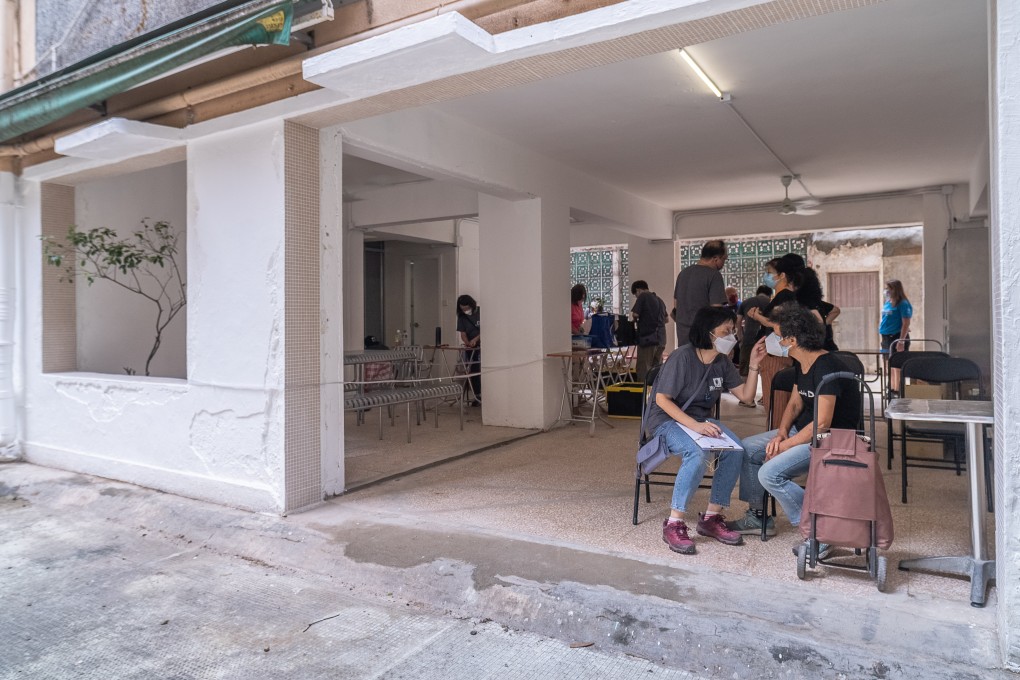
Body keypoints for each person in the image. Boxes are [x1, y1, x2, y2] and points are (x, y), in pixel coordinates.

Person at [726, 304, 862, 551]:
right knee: (748, 448)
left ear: (792, 340)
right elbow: (796, 401)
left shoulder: (827, 366)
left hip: (830, 440)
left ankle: (818, 533)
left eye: (777, 336)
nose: (773, 341)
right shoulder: (802, 362)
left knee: (770, 474)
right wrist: (780, 432)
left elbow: (822, 422)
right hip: (803, 433)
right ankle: (758, 515)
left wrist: (785, 445)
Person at [645, 306, 767, 555]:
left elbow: (745, 396)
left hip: (700, 420)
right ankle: (674, 523)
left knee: (736, 450)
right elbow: (662, 400)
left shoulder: (722, 362)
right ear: (708, 332)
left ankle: (711, 518)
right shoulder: (682, 357)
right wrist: (696, 427)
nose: (732, 336)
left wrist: (753, 365)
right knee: (697, 453)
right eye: (726, 331)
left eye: (733, 331)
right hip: (667, 420)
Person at [745, 253, 803, 412]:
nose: (767, 276)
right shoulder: (779, 296)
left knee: (776, 403)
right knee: (774, 401)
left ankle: (777, 434)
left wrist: (758, 317)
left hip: (776, 354)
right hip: (773, 351)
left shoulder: (785, 296)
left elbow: (778, 325)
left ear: (782, 275)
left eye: (769, 273)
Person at [673, 240, 728, 346]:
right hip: (704, 338)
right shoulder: (714, 275)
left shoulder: (683, 274)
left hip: (683, 338)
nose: (724, 264)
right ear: (716, 258)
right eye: (724, 259)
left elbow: (675, 307)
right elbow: (716, 310)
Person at [630, 280, 667, 382]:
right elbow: (666, 319)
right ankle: (654, 395)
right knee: (657, 370)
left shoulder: (643, 296)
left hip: (648, 340)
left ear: (638, 290)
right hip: (661, 340)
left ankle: (642, 396)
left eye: (635, 295)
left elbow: (635, 314)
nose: (637, 297)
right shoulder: (659, 300)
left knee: (643, 369)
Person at [736, 285, 773, 386]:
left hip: (748, 339)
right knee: (767, 369)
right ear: (769, 294)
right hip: (767, 341)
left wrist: (740, 338)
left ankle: (745, 398)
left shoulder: (746, 302)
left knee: (745, 369)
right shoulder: (771, 303)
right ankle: (765, 397)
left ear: (757, 292)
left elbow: (738, 322)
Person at [456, 294, 482, 406]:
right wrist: (467, 342)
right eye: (462, 309)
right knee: (474, 371)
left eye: (466, 308)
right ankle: (477, 396)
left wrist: (475, 340)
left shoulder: (480, 312)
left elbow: (485, 329)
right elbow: (463, 333)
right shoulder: (462, 317)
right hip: (471, 347)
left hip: (480, 343)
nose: (465, 310)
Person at [880, 279, 912, 354]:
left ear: (895, 289)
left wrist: (901, 341)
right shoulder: (888, 302)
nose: (886, 291)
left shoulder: (903, 303)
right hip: (886, 336)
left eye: (888, 288)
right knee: (888, 362)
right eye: (886, 288)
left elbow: (906, 323)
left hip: (896, 337)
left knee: (897, 363)